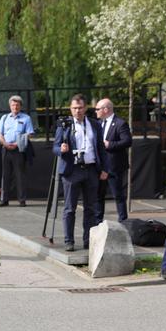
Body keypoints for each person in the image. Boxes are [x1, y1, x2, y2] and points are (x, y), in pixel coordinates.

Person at [53, 94, 107, 252]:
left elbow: (101, 148)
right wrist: (61, 150)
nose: (78, 111)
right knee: (70, 208)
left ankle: (87, 240)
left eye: (80, 108)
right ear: (70, 109)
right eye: (75, 108)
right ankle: (69, 240)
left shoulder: (95, 124)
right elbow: (55, 147)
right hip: (72, 170)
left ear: (86, 108)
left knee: (91, 208)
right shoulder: (65, 126)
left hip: (91, 169)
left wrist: (104, 168)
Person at [95, 98, 132, 222]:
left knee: (118, 195)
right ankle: (97, 222)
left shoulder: (120, 123)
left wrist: (109, 144)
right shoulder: (98, 124)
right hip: (101, 167)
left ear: (106, 109)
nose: (96, 112)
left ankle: (123, 221)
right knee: (99, 195)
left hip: (114, 166)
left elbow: (127, 141)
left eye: (97, 109)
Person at [0, 95, 35, 207]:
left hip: (19, 149)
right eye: (13, 105)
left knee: (20, 175)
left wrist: (16, 144)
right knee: (5, 175)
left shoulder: (26, 118)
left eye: (17, 105)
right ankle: (4, 199)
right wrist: (5, 143)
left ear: (20, 106)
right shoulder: (4, 118)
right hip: (5, 149)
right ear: (10, 106)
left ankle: (22, 199)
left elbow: (29, 134)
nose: (15, 107)